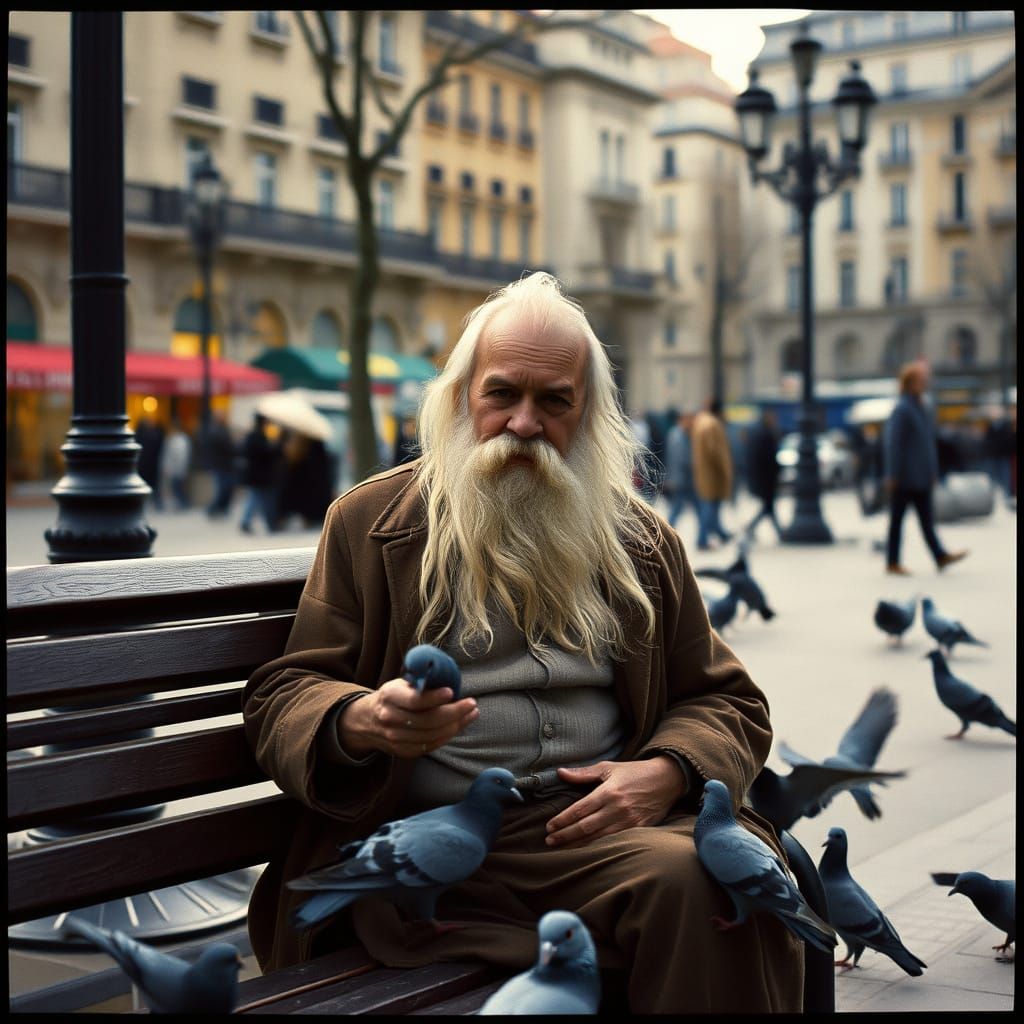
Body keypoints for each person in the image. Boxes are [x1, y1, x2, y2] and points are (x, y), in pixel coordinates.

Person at [241, 273, 803, 1013]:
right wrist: (361, 718)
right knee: (697, 887)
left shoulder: (639, 539)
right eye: (503, 394)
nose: (525, 423)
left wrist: (667, 771)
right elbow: (285, 695)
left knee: (724, 885)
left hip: (601, 842)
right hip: (429, 851)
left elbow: (726, 699)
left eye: (555, 401)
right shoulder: (370, 525)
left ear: (588, 414)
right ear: (460, 398)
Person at [883, 360, 968, 575]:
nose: (924, 383)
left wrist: (932, 471)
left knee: (927, 521)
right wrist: (892, 474)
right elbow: (893, 443)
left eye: (924, 379)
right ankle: (893, 562)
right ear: (909, 383)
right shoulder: (903, 408)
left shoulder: (924, 405)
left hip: (921, 475)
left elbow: (928, 444)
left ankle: (940, 556)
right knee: (897, 521)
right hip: (904, 476)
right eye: (920, 380)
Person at [690, 397, 733, 551]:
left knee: (711, 506)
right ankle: (702, 539)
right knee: (709, 506)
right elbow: (716, 451)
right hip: (712, 474)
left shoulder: (700, 422)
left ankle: (720, 533)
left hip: (703, 472)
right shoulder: (712, 425)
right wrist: (725, 470)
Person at [743, 408, 783, 542]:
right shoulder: (766, 435)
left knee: (768, 508)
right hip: (766, 479)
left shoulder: (757, 434)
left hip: (762, 478)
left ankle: (753, 528)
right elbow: (769, 459)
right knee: (768, 507)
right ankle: (778, 532)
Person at [239, 413, 280, 534]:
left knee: (256, 499)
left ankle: (249, 522)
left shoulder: (254, 435)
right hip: (259, 476)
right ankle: (253, 522)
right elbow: (265, 452)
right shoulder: (257, 436)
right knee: (258, 499)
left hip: (257, 475)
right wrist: (274, 445)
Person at [662, 408, 696, 530]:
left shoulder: (676, 433)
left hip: (680, 477)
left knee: (680, 506)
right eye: (690, 419)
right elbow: (680, 458)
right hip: (680, 478)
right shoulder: (678, 435)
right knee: (677, 506)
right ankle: (667, 530)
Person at [204, 410, 238, 519]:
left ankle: (222, 509)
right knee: (222, 490)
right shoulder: (215, 431)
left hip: (225, 465)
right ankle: (213, 509)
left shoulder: (222, 429)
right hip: (220, 465)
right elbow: (225, 446)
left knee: (227, 489)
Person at [134, 413, 165, 511]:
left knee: (152, 487)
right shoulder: (147, 435)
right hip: (147, 466)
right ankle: (152, 505)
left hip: (147, 466)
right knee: (151, 486)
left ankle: (155, 505)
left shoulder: (148, 435)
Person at [162, 418, 192, 511]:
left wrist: (179, 469)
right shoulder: (173, 439)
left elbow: (180, 456)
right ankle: (182, 504)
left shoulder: (180, 440)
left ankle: (183, 504)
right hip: (175, 469)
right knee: (177, 488)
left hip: (178, 469)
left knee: (178, 488)